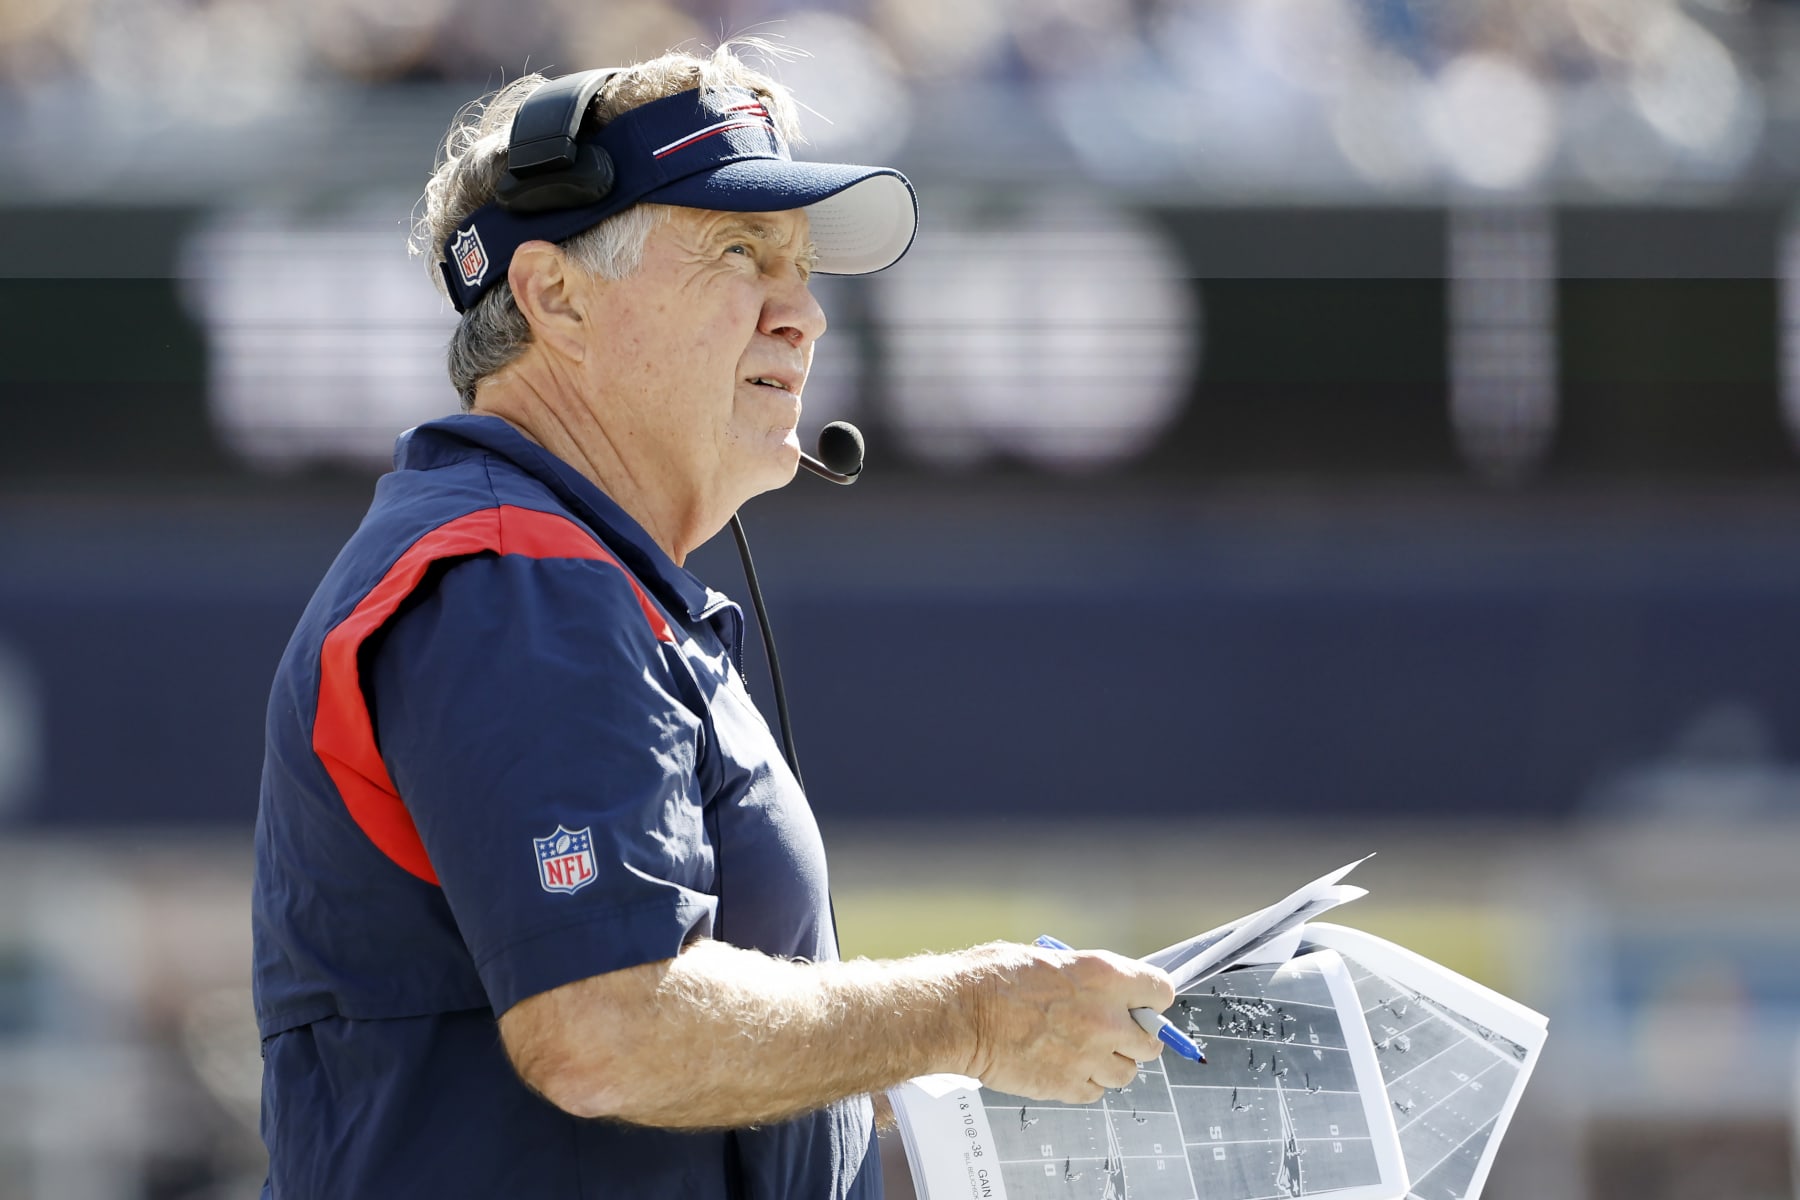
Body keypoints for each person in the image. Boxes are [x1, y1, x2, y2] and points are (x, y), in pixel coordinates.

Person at [251, 43, 1175, 1199]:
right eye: (742, 251)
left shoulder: (568, 575)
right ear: (555, 297)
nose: (805, 318)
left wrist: (1009, 1046)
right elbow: (605, 1031)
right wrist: (972, 1014)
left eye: (802, 267)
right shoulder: (516, 574)